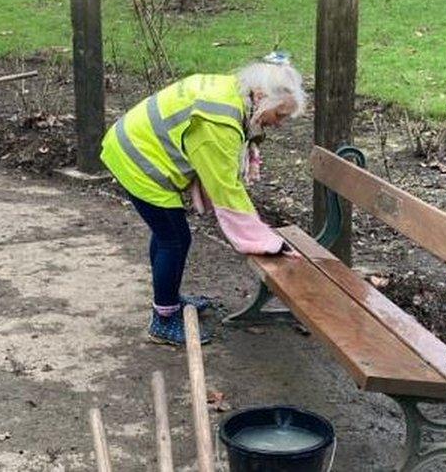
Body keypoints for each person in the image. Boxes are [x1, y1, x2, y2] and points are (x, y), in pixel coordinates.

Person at [100, 53, 305, 346]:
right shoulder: (218, 122)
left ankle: (168, 298)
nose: (281, 123)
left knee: (167, 234)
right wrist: (265, 240)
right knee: (175, 239)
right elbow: (226, 190)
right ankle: (164, 319)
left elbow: (219, 174)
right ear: (261, 96)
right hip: (139, 160)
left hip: (131, 147)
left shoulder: (232, 91)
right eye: (280, 115)